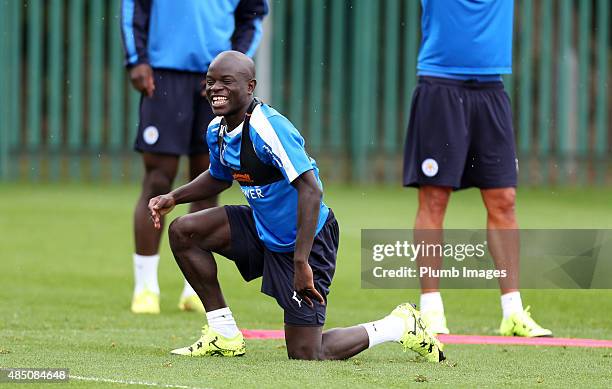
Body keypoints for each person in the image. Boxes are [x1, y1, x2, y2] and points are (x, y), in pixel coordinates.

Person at [148, 51, 445, 361]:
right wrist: (174, 197)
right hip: (264, 228)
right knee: (184, 231)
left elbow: (311, 190)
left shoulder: (268, 128)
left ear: (250, 87)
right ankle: (223, 334)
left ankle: (398, 326)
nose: (216, 89)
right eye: (210, 82)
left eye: (226, 82)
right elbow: (219, 177)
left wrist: (301, 262)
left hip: (308, 238)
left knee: (307, 352)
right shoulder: (217, 129)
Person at [403, 0, 551, 337]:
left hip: (490, 89)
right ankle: (431, 310)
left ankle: (512, 313)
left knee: (504, 199)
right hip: (440, 85)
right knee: (435, 199)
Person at [120, 0, 268, 314]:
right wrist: (137, 60)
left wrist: (231, 70)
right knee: (158, 178)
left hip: (215, 79)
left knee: (210, 177)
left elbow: (252, 17)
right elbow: (133, 7)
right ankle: (145, 288)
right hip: (164, 73)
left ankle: (193, 289)